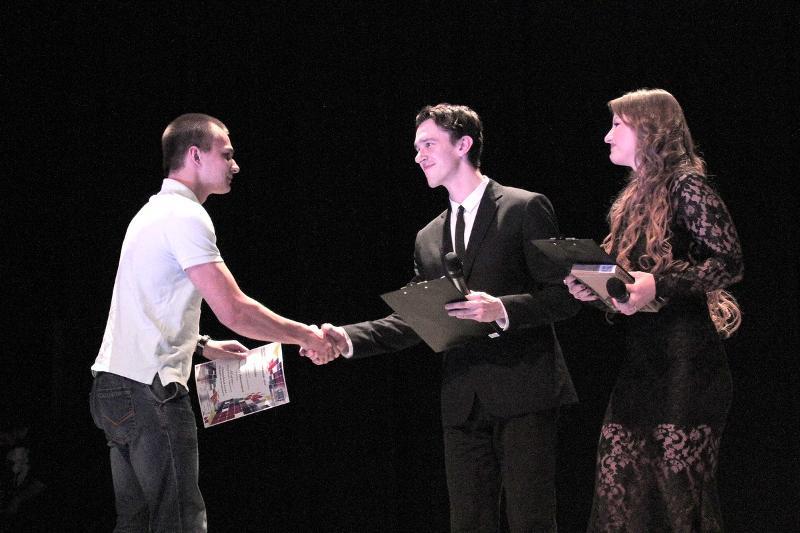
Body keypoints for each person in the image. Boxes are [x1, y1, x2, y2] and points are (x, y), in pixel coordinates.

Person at [306, 103, 580, 532]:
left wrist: (502, 309)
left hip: (524, 389)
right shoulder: (428, 237)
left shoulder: (523, 207)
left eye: (429, 144)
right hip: (463, 400)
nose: (419, 156)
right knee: (468, 523)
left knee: (531, 521)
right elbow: (416, 318)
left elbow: (564, 297)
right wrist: (346, 337)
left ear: (463, 144)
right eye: (417, 148)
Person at [89, 113, 335, 532]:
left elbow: (148, 304)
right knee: (179, 522)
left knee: (137, 523)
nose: (235, 165)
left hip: (114, 387)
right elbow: (234, 310)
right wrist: (305, 335)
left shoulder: (152, 211)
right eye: (227, 154)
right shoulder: (186, 216)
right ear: (195, 155)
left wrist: (202, 344)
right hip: (148, 391)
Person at [564, 89, 743, 532]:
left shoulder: (686, 186)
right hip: (642, 365)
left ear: (649, 130)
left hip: (687, 364)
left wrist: (658, 284)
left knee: (678, 498)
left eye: (617, 126)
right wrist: (598, 291)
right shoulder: (633, 198)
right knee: (618, 494)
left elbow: (729, 262)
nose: (607, 136)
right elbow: (630, 289)